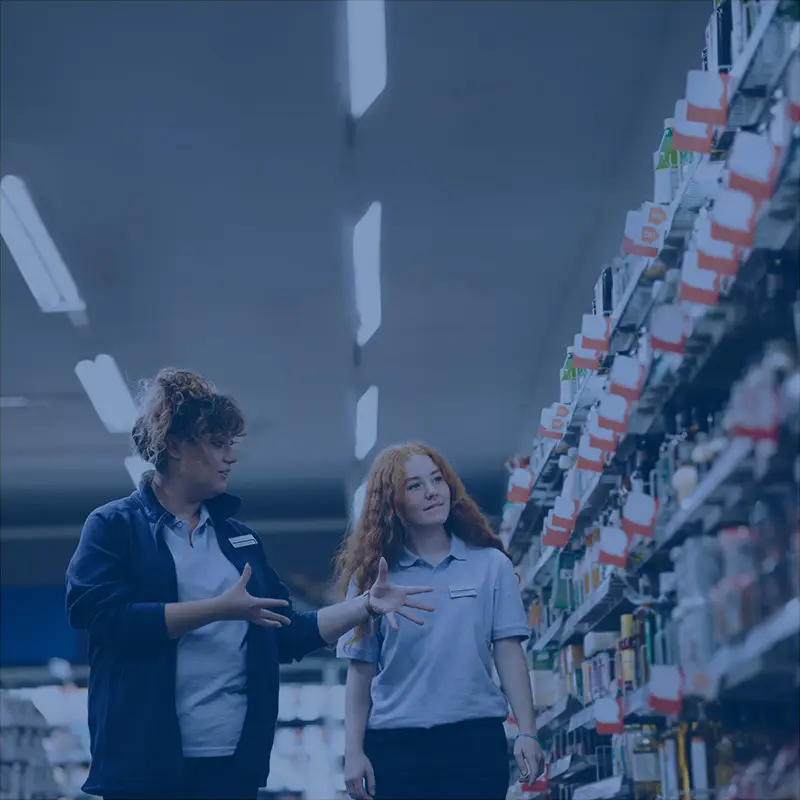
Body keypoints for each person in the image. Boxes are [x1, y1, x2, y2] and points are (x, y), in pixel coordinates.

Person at [65, 369, 434, 800]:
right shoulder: (113, 526)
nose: (231, 458)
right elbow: (101, 617)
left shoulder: (237, 539)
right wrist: (218, 609)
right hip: (142, 760)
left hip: (231, 760)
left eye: (231, 445)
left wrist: (367, 605)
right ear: (177, 447)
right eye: (217, 444)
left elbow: (286, 631)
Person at [334, 443, 543, 800]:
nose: (432, 492)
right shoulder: (372, 576)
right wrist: (353, 752)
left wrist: (527, 730)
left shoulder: (491, 566)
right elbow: (360, 670)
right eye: (414, 485)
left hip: (475, 741)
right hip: (396, 745)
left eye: (437, 480)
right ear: (391, 502)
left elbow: (508, 651)